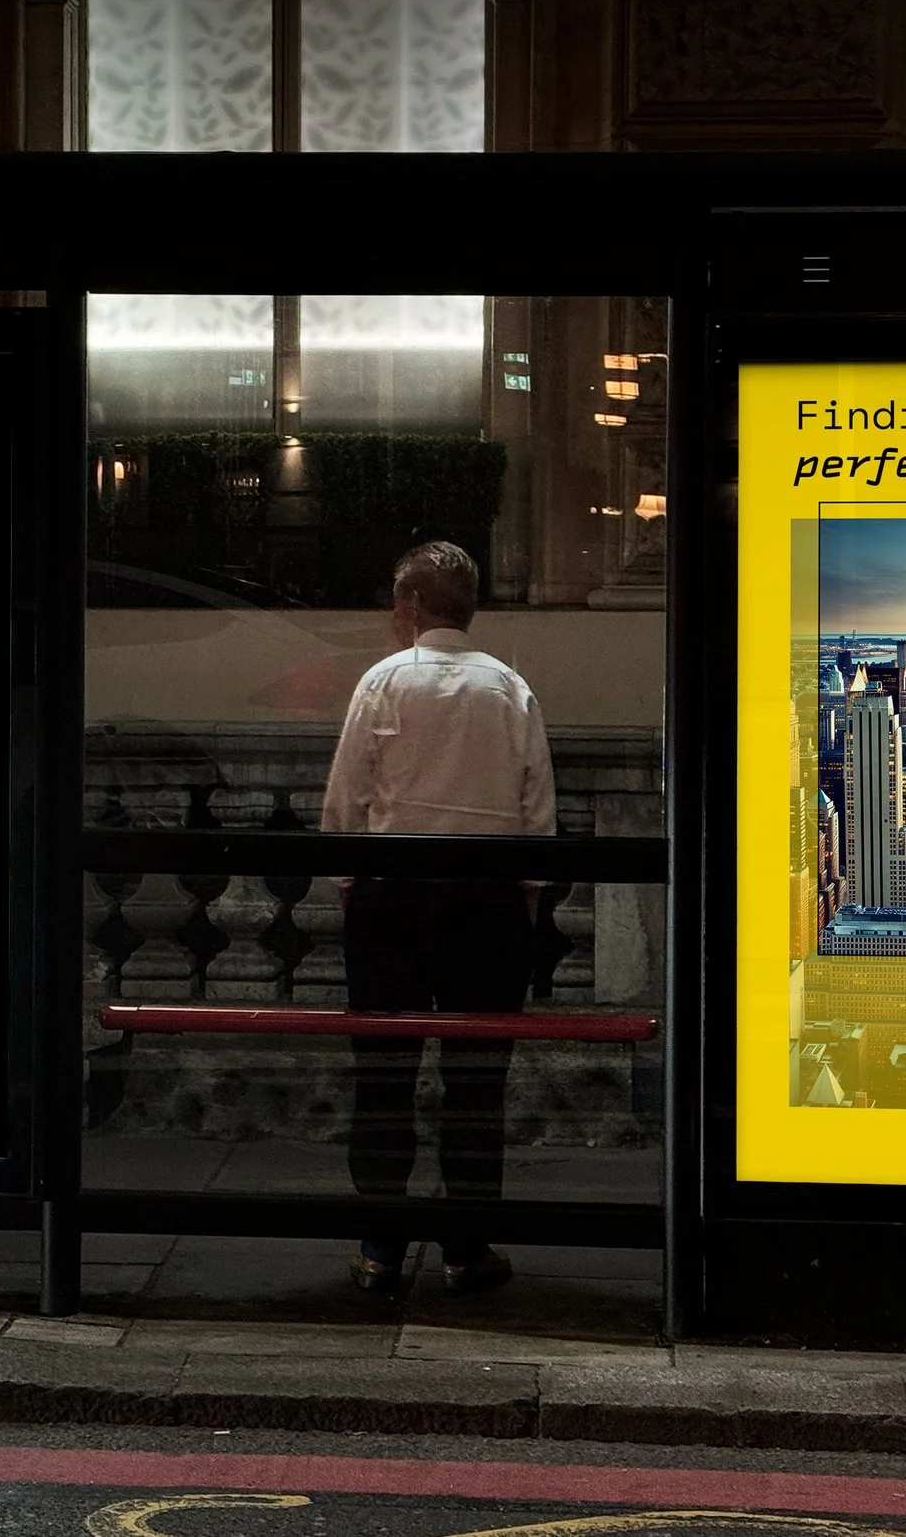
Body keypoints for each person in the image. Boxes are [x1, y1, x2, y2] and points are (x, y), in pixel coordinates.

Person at [320, 541, 555, 1295]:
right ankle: (466, 1246)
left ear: (415, 603)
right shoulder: (511, 689)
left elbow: (346, 803)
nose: (394, 613)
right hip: (485, 905)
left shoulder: (383, 683)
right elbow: (537, 816)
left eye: (398, 599)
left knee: (383, 1074)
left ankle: (379, 1246)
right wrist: (523, 903)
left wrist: (352, 886)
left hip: (393, 896)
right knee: (478, 1079)